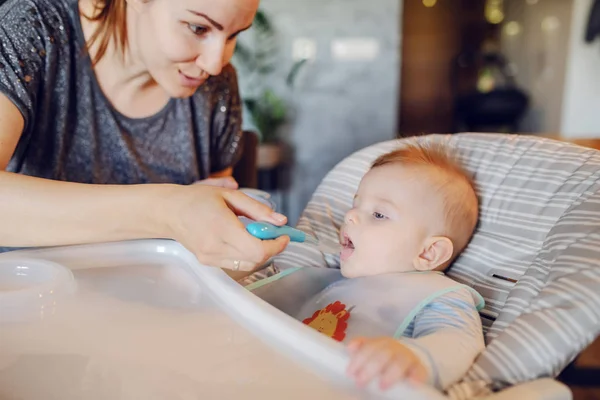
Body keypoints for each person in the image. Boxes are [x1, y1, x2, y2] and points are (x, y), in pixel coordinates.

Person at [0, 0, 289, 271]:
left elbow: (210, 245)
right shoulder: (33, 28)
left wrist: (211, 225)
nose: (214, 64)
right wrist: (169, 212)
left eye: (232, 35)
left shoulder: (218, 86)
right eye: (198, 28)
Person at [294, 142, 485, 391]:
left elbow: (459, 340)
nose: (350, 216)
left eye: (379, 215)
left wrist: (414, 357)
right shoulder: (331, 280)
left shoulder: (439, 295)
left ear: (428, 253)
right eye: (356, 204)